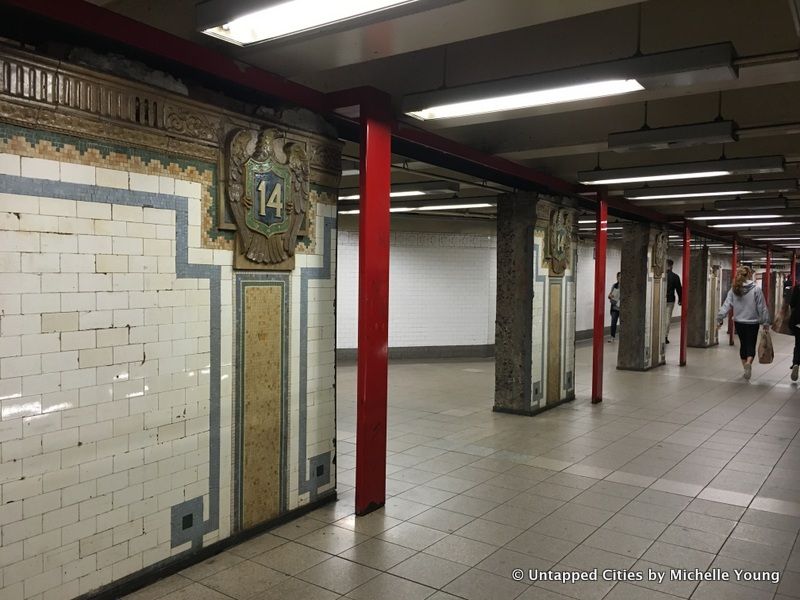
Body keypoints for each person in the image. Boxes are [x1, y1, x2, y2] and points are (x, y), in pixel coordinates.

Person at [716, 265, 770, 380]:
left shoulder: (734, 289)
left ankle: (745, 368)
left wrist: (720, 318)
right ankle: (749, 364)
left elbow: (726, 305)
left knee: (743, 345)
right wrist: (765, 322)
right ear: (750, 274)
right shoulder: (756, 289)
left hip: (739, 322)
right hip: (753, 322)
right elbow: (762, 307)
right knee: (751, 344)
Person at [665, 259, 682, 344]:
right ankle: (665, 336)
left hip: (660, 300)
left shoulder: (661, 275)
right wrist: (680, 299)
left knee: (659, 317)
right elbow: (679, 289)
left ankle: (658, 335)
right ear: (671, 266)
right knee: (667, 318)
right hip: (670, 300)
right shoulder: (675, 277)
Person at [789, 284, 800, 381]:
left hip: (798, 320)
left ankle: (796, 363)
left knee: (798, 344)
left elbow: (792, 303)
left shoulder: (798, 287)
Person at [608, 272, 620, 342]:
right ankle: (612, 337)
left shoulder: (626, 286)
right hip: (615, 308)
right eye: (618, 277)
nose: (619, 278)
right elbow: (610, 295)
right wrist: (610, 296)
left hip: (622, 308)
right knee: (613, 323)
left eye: (620, 276)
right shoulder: (614, 285)